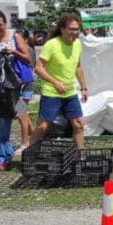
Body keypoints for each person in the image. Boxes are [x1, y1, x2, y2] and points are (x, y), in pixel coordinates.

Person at [29, 13, 88, 149]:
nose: (74, 32)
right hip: (51, 92)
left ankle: (80, 157)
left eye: (76, 29)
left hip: (69, 92)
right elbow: (38, 68)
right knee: (43, 126)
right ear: (62, 29)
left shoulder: (78, 44)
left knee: (78, 124)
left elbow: (77, 66)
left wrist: (84, 87)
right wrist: (54, 82)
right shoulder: (52, 44)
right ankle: (30, 152)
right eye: (70, 29)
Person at [0, 11, 31, 171]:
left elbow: (28, 58)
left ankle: (7, 154)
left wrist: (14, 52)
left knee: (18, 114)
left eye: (0, 24)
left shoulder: (15, 36)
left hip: (18, 86)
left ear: (5, 23)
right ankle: (8, 149)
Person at [13, 29, 37, 157]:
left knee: (21, 113)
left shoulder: (28, 50)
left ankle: (25, 143)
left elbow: (30, 65)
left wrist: (14, 52)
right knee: (23, 114)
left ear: (25, 40)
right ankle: (35, 138)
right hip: (20, 84)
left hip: (25, 84)